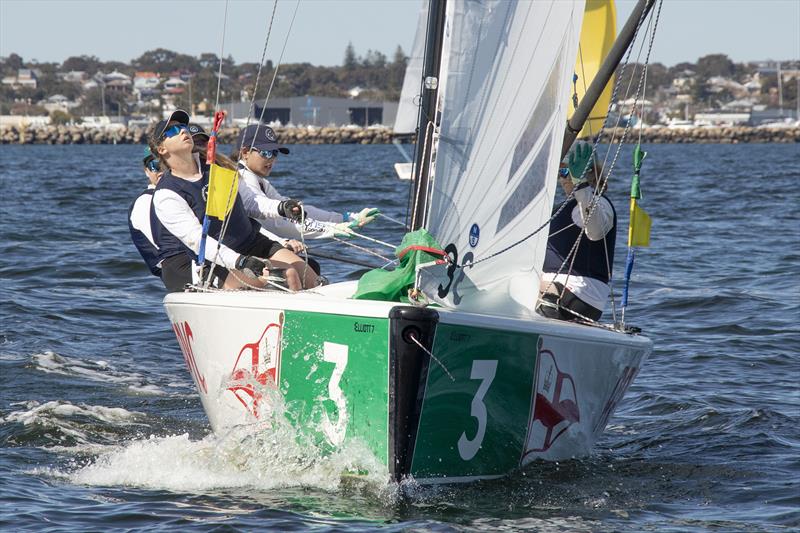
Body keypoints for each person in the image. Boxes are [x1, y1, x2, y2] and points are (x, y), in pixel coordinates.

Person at [148, 110, 318, 292]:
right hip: (217, 261)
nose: (183, 131)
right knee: (288, 276)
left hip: (251, 242)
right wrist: (240, 261)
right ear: (162, 149)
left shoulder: (215, 167)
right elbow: (196, 240)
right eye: (173, 131)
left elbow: (250, 202)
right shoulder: (167, 194)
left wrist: (281, 207)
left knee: (310, 276)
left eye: (183, 126)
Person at [233, 124, 379, 242]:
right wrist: (333, 229)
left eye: (275, 153)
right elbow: (277, 223)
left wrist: (345, 219)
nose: (271, 159)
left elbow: (296, 211)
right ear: (245, 152)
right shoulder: (243, 178)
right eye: (266, 153)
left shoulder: (259, 180)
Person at [537, 143, 616, 322]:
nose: (563, 178)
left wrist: (581, 185)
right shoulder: (563, 208)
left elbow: (596, 232)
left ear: (590, 172)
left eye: (569, 172)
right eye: (561, 172)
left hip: (580, 294)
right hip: (559, 289)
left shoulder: (599, 203)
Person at [128, 147, 164, 277]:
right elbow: (162, 243)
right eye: (156, 166)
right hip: (174, 270)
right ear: (146, 171)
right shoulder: (144, 202)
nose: (162, 171)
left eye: (166, 165)